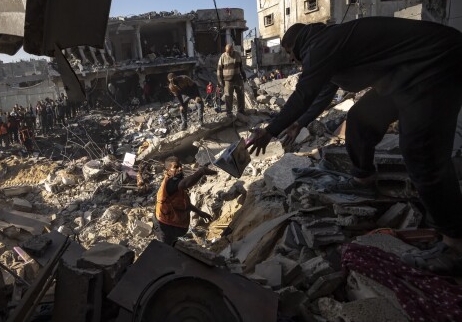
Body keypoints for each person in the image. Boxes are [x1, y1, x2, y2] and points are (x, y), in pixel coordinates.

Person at [246, 17, 462, 273]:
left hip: (435, 63)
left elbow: (303, 94)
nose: (292, 61)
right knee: (360, 119)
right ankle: (363, 179)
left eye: (289, 54)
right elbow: (321, 93)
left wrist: (270, 130)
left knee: (420, 152)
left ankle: (455, 245)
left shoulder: (321, 46)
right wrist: (299, 123)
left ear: (295, 45)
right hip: (401, 76)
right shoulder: (325, 47)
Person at [153, 157, 216, 245]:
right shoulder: (170, 182)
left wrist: (199, 212)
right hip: (163, 225)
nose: (180, 168)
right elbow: (185, 184)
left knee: (173, 245)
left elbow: (183, 203)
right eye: (176, 167)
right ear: (168, 170)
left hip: (170, 222)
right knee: (166, 249)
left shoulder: (176, 181)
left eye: (180, 166)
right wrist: (201, 172)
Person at [217, 44, 247, 116]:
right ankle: (229, 112)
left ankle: (241, 111)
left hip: (238, 79)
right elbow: (219, 70)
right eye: (227, 52)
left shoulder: (237, 55)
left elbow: (241, 67)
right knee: (228, 96)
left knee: (240, 94)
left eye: (230, 52)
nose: (228, 53)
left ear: (232, 50)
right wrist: (220, 80)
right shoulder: (223, 57)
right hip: (227, 81)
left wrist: (244, 75)